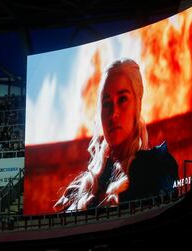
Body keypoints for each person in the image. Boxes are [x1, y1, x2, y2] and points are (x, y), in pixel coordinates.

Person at [53, 58, 179, 212]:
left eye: (123, 99)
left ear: (137, 105)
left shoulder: (156, 167)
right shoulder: (79, 189)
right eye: (107, 103)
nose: (113, 114)